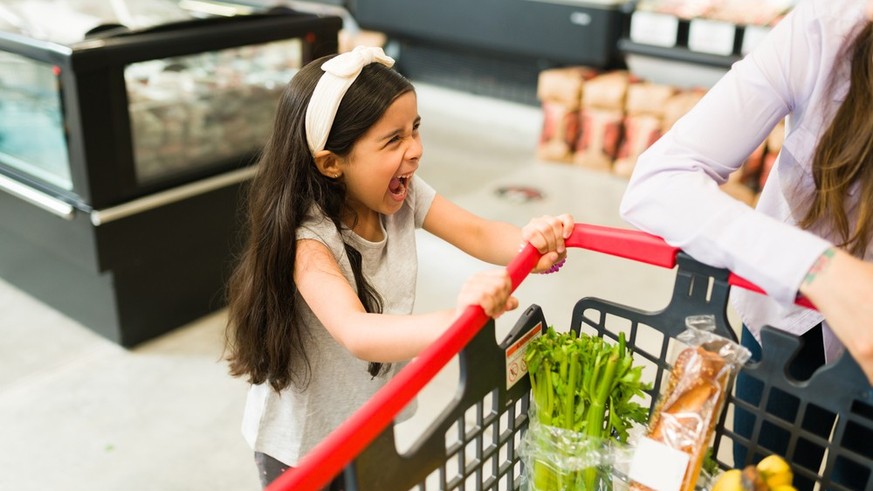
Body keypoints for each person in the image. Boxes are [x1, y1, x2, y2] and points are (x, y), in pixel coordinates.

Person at [223, 46, 574, 490]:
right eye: (394, 140)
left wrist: (533, 245)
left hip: (368, 421)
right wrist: (460, 319)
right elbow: (359, 333)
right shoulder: (309, 242)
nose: (416, 151)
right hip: (302, 448)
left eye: (415, 130)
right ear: (332, 163)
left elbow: (478, 232)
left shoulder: (401, 196)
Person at [620, 0, 873, 488]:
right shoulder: (826, 28)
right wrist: (819, 268)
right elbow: (659, 182)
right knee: (763, 472)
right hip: (788, 320)